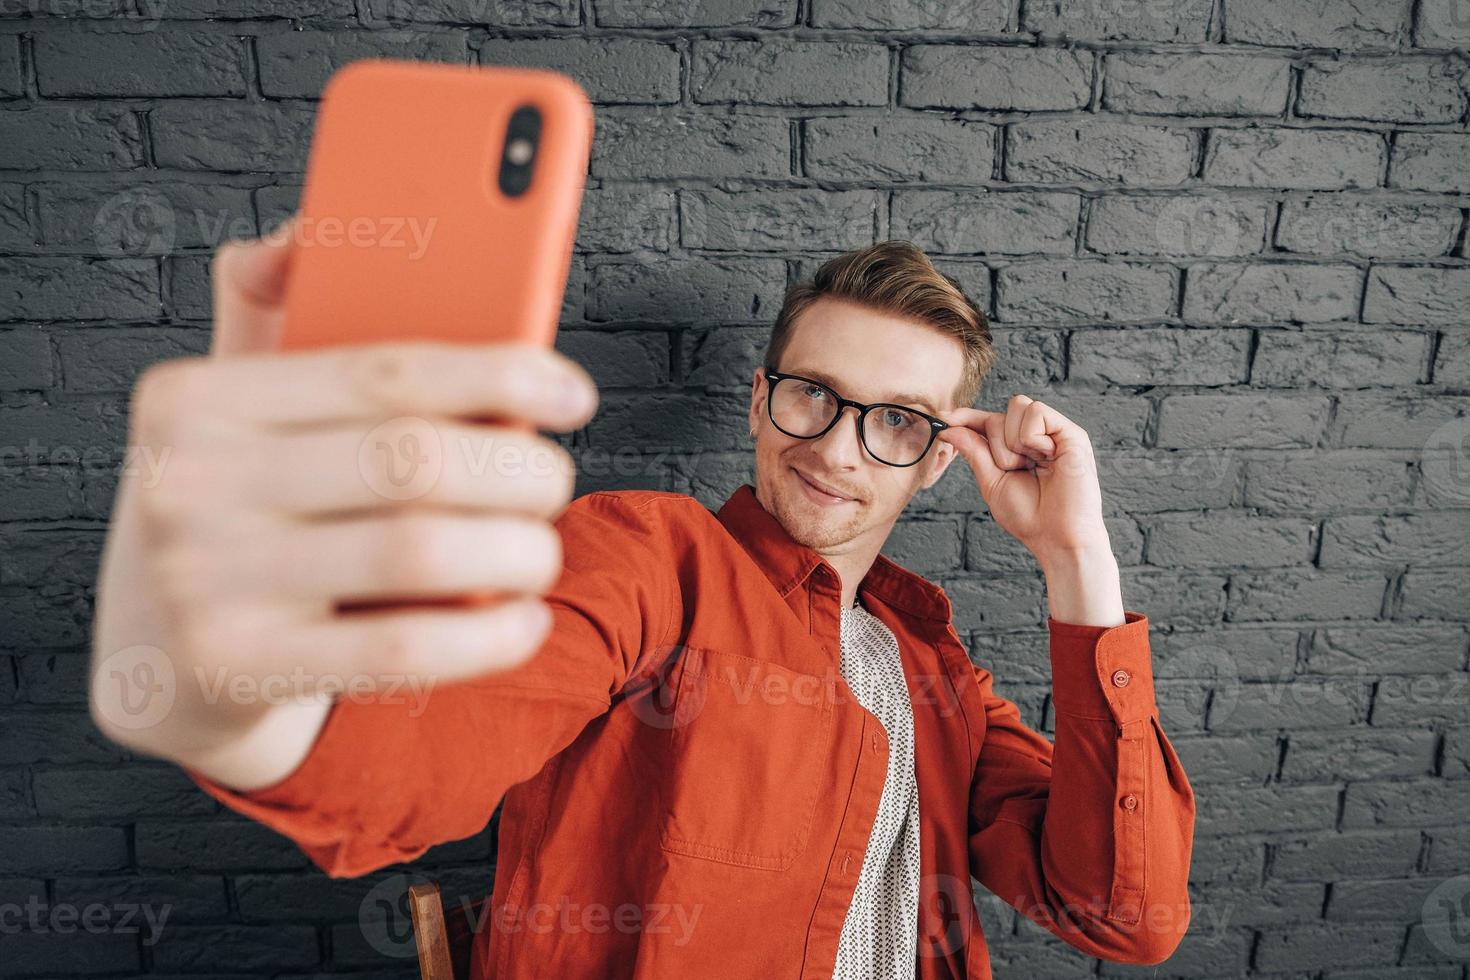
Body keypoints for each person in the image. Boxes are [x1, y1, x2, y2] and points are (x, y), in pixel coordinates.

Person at [90, 219, 1195, 979]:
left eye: (898, 420)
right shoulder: (648, 559)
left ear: (936, 459)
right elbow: (419, 756)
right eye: (815, 393)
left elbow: (1124, 912)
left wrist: (1077, 563)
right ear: (763, 401)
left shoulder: (930, 668)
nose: (841, 450)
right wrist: (246, 703)